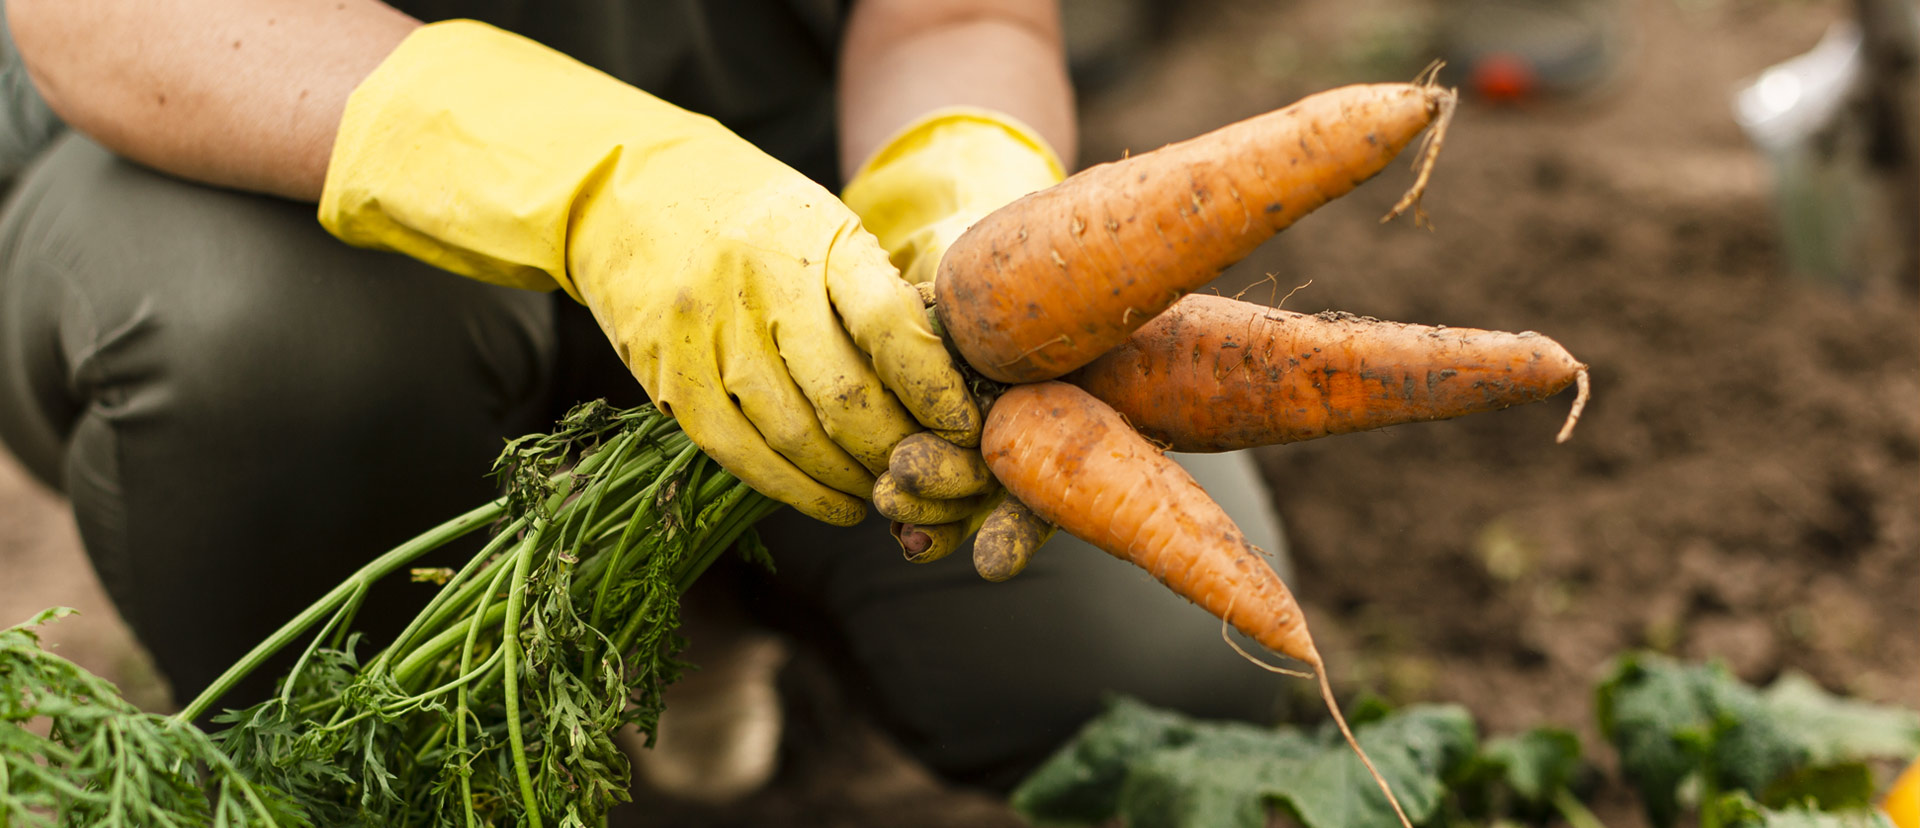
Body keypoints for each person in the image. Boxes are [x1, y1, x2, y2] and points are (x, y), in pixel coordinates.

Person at [0, 0, 1288, 792]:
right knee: (255, 350)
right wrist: (598, 177)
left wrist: (954, 227)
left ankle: (699, 615)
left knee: (1155, 663)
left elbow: (959, 17)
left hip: (799, 218)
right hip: (287, 197)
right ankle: (367, 757)